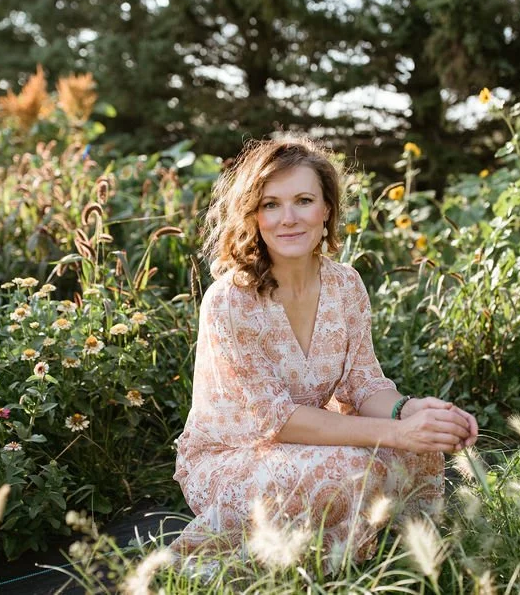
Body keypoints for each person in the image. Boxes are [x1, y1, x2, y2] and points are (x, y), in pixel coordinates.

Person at [172, 136, 478, 567]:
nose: (289, 218)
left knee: (420, 448)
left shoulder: (345, 284)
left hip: (316, 440)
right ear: (253, 215)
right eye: (271, 204)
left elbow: (365, 383)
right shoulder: (230, 301)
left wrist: (412, 412)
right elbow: (276, 422)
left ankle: (393, 558)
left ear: (327, 209)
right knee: (344, 469)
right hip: (234, 455)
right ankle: (317, 563)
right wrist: (393, 433)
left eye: (303, 200)